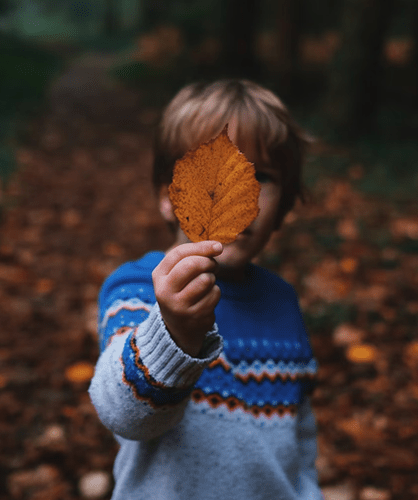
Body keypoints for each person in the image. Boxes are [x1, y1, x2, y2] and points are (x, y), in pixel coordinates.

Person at [89, 79, 321, 499]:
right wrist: (174, 331)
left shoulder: (282, 302)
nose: (238, 189)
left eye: (261, 176)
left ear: (284, 208)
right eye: (213, 172)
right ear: (168, 197)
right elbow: (124, 414)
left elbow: (300, 442)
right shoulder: (140, 288)